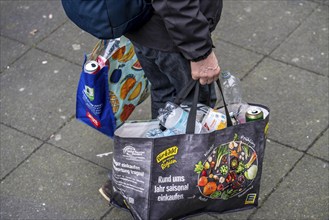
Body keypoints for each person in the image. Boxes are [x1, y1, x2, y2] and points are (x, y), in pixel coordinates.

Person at [99, 0, 224, 202]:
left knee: (166, 101)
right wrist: (200, 51)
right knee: (197, 112)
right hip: (172, 36)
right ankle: (156, 187)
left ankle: (146, 181)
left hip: (143, 27)